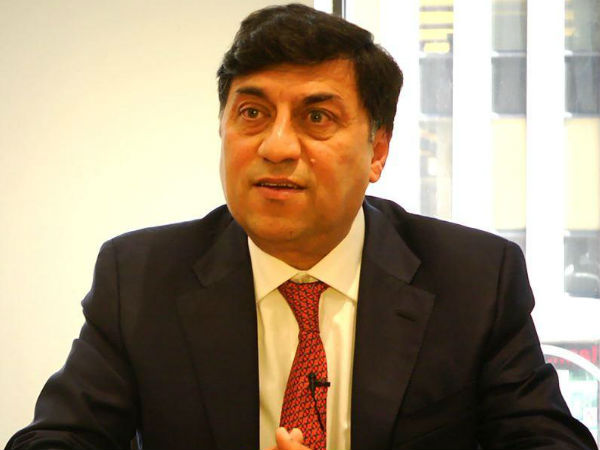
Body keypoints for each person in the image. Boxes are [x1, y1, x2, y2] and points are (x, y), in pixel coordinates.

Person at [5, 3, 598, 450]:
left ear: (377, 151)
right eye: (252, 113)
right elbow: (55, 440)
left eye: (317, 117)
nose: (277, 146)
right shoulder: (139, 278)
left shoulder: (474, 279)